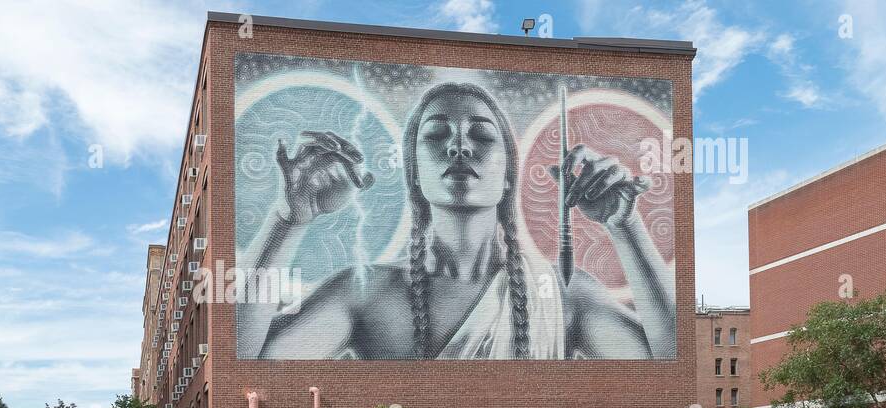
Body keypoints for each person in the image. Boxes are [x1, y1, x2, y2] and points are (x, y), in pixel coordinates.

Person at [239, 81, 676, 361]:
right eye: (436, 135)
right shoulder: (366, 291)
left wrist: (625, 227)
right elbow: (247, 359)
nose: (459, 148)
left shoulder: (563, 290)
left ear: (509, 175)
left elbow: (668, 364)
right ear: (415, 173)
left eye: (482, 135)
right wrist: (287, 221)